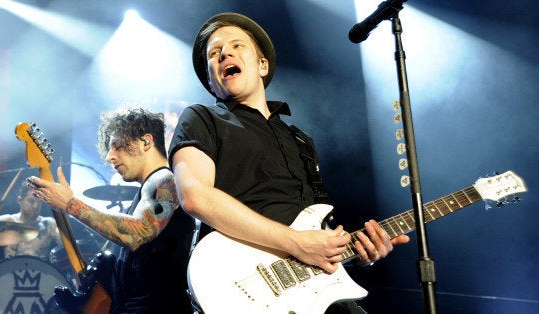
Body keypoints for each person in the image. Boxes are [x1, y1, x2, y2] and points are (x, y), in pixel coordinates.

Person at [168, 12, 411, 313]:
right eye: (214, 54)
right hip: (237, 282)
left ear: (262, 65)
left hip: (310, 290)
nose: (225, 54)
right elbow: (195, 196)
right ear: (210, 80)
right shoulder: (201, 118)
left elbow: (319, 227)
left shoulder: (300, 140)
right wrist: (295, 242)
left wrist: (361, 251)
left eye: (236, 46)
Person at [26, 108, 195, 313]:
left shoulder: (165, 180)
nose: (109, 157)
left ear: (146, 142)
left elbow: (137, 233)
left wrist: (71, 204)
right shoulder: (148, 190)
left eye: (117, 146)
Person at [0, 180, 61, 260]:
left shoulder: (49, 224)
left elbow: (66, 246)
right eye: (31, 201)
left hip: (40, 270)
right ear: (20, 200)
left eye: (39, 202)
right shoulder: (7, 221)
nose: (35, 206)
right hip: (10, 270)